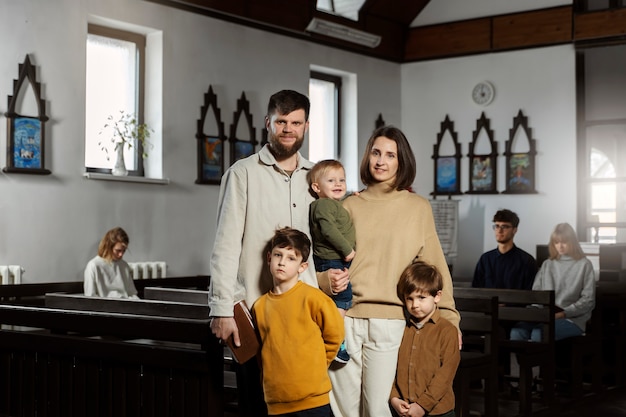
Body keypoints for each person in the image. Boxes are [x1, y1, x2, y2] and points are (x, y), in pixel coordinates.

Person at [317, 126, 460, 417]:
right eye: (376, 152)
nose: (381, 161)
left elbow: (435, 267)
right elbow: (323, 256)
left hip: (391, 323)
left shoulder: (417, 207)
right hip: (344, 320)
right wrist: (324, 281)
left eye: (390, 155)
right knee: (343, 410)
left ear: (401, 161)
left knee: (379, 409)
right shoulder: (348, 204)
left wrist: (451, 318)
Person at [208, 90, 317, 417]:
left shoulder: (317, 177)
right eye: (281, 121)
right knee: (257, 406)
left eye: (296, 122)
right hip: (256, 313)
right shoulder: (242, 173)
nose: (288, 129)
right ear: (268, 123)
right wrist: (222, 308)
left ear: (306, 127)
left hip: (305, 315)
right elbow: (225, 245)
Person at [252, 227, 344, 416]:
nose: (282, 262)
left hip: (312, 401)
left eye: (291, 258)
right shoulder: (260, 306)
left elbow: (335, 337)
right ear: (269, 258)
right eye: (278, 255)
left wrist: (314, 365)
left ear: (302, 267)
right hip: (276, 402)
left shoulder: (314, 299)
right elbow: (264, 352)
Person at [390, 261, 460, 417]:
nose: (415, 305)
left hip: (439, 412)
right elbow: (391, 367)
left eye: (421, 297)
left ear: (437, 296)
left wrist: (422, 405)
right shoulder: (402, 329)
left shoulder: (447, 331)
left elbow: (446, 375)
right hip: (404, 409)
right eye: (409, 298)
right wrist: (394, 397)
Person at [510, 222, 596, 342]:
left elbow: (588, 300)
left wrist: (564, 313)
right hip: (545, 316)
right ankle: (527, 361)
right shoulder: (547, 264)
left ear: (572, 242)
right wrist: (533, 313)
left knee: (539, 334)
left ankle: (542, 361)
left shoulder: (584, 264)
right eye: (556, 242)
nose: (560, 246)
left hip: (572, 319)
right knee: (517, 332)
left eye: (564, 242)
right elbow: (536, 296)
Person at [308, 159, 356, 363]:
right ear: (316, 187)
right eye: (331, 180)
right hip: (332, 260)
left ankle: (333, 337)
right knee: (343, 297)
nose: (338, 184)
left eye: (342, 180)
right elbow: (328, 230)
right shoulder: (323, 205)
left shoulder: (332, 204)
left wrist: (354, 195)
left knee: (338, 299)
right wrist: (347, 250)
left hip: (335, 260)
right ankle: (335, 340)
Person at [472, 209, 537, 290]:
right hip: (488, 303)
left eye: (504, 227)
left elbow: (530, 294)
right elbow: (476, 290)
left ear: (514, 230)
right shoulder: (485, 259)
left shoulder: (527, 261)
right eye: (497, 226)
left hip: (516, 302)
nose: (499, 231)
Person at [84, 226, 139, 299]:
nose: (121, 254)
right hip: (105, 308)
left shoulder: (124, 265)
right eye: (118, 250)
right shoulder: (94, 265)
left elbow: (132, 293)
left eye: (124, 251)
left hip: (125, 306)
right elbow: (90, 297)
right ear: (108, 247)